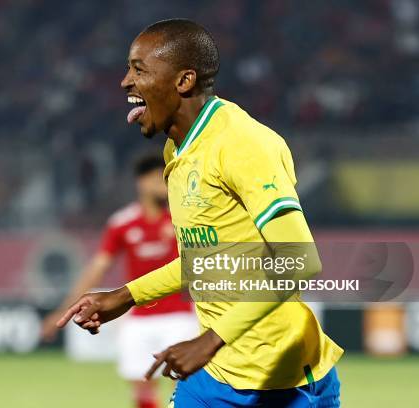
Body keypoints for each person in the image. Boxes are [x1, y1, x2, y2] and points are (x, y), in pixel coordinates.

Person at [55, 19, 343, 407]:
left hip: (283, 380)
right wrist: (124, 296)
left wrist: (208, 340)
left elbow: (300, 260)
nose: (125, 81)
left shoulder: (242, 144)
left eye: (139, 70)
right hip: (215, 377)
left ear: (184, 81)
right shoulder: (179, 150)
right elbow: (203, 259)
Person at [42, 153, 197, 408]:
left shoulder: (182, 217)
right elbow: (96, 269)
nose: (165, 186)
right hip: (138, 319)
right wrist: (63, 310)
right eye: (159, 180)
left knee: (183, 388)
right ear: (142, 183)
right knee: (143, 389)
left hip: (179, 317)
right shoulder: (122, 223)